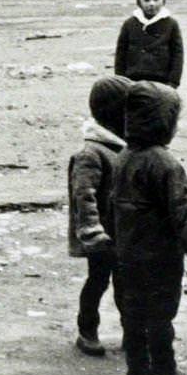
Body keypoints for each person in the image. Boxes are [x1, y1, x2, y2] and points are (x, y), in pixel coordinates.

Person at [109, 82, 187, 375]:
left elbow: (111, 206)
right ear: (164, 122)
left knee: (132, 310)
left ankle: (137, 366)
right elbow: (183, 213)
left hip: (127, 251)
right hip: (161, 254)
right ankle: (164, 368)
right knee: (161, 313)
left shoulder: (122, 157)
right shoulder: (166, 164)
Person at [66, 75, 133, 357]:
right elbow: (83, 194)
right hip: (102, 236)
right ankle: (87, 330)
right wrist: (92, 230)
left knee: (124, 285)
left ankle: (132, 332)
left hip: (121, 232)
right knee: (98, 281)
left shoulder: (122, 148)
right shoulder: (92, 153)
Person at [114, 0, 184, 86]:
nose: (152, 4)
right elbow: (120, 54)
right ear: (139, 2)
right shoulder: (129, 24)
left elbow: (177, 55)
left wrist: (173, 82)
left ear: (163, 0)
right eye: (146, 0)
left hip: (161, 81)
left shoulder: (171, 24)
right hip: (133, 80)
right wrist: (121, 80)